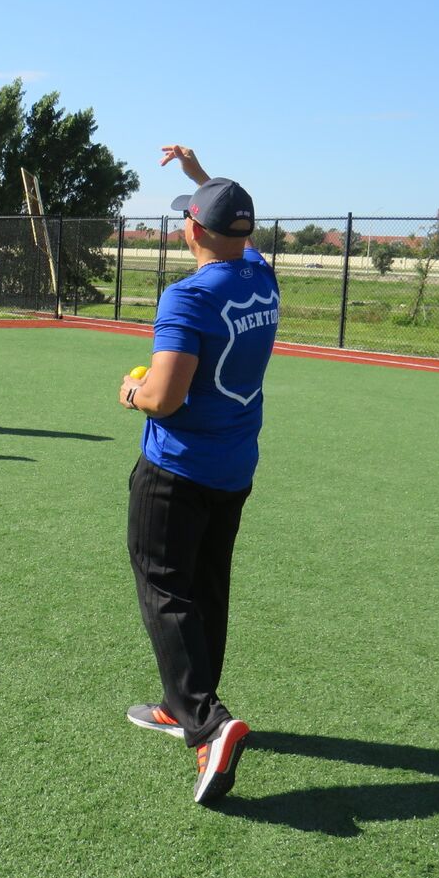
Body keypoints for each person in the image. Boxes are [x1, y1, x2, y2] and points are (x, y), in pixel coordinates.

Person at [120, 144, 280, 806]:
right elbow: (233, 224)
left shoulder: (186, 297)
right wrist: (199, 175)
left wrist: (130, 391)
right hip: (234, 466)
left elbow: (167, 397)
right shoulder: (261, 276)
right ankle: (180, 702)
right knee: (207, 587)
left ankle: (206, 725)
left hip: (177, 469)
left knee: (164, 588)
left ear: (190, 230)